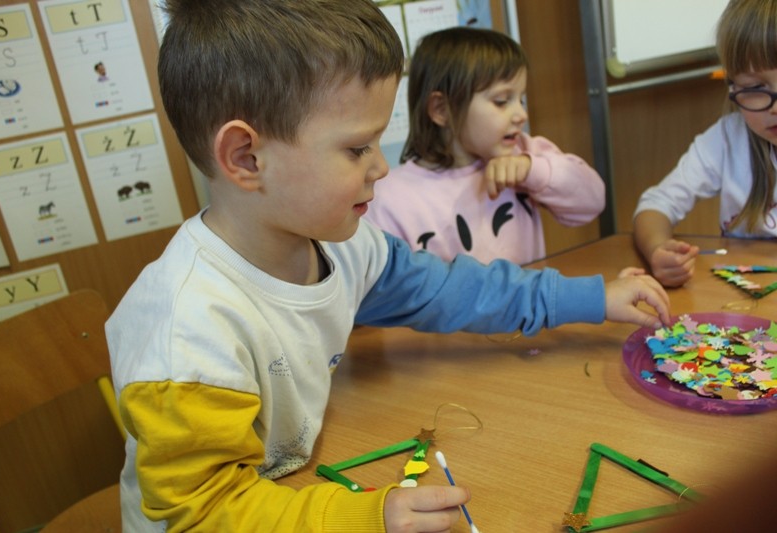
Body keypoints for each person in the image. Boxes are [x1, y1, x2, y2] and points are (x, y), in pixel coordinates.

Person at [105, 1, 670, 531]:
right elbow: (205, 515)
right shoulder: (186, 333)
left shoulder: (346, 246)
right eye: (358, 149)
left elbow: (453, 291)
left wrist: (591, 298)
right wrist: (367, 517)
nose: (381, 167)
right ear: (246, 158)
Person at [365, 27, 605, 265]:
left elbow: (592, 202)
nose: (521, 115)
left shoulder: (524, 154)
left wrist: (533, 170)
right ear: (441, 109)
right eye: (501, 101)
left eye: (520, 99)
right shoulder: (390, 199)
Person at [634, 0, 777, 287]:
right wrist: (658, 250)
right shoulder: (727, 139)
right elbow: (656, 205)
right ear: (733, 86)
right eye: (755, 88)